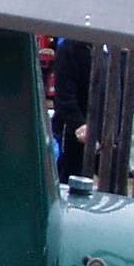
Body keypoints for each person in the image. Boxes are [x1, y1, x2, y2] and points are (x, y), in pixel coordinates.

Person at [51, 36, 93, 183]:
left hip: (97, 131)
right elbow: (64, 96)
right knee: (69, 179)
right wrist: (78, 124)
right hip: (72, 132)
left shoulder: (106, 50)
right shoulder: (71, 49)